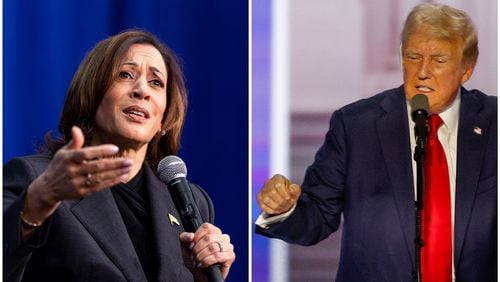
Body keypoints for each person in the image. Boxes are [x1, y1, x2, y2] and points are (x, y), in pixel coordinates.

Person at [255, 3, 496, 281]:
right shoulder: (356, 126)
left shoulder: (495, 124)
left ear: (467, 67)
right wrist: (285, 210)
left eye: (439, 60)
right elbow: (318, 217)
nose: (423, 71)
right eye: (413, 57)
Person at [4, 29, 235, 281]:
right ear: (92, 95)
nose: (142, 91)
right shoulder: (35, 180)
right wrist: (37, 204)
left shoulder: (192, 202)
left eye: (156, 83)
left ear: (164, 119)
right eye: (125, 75)